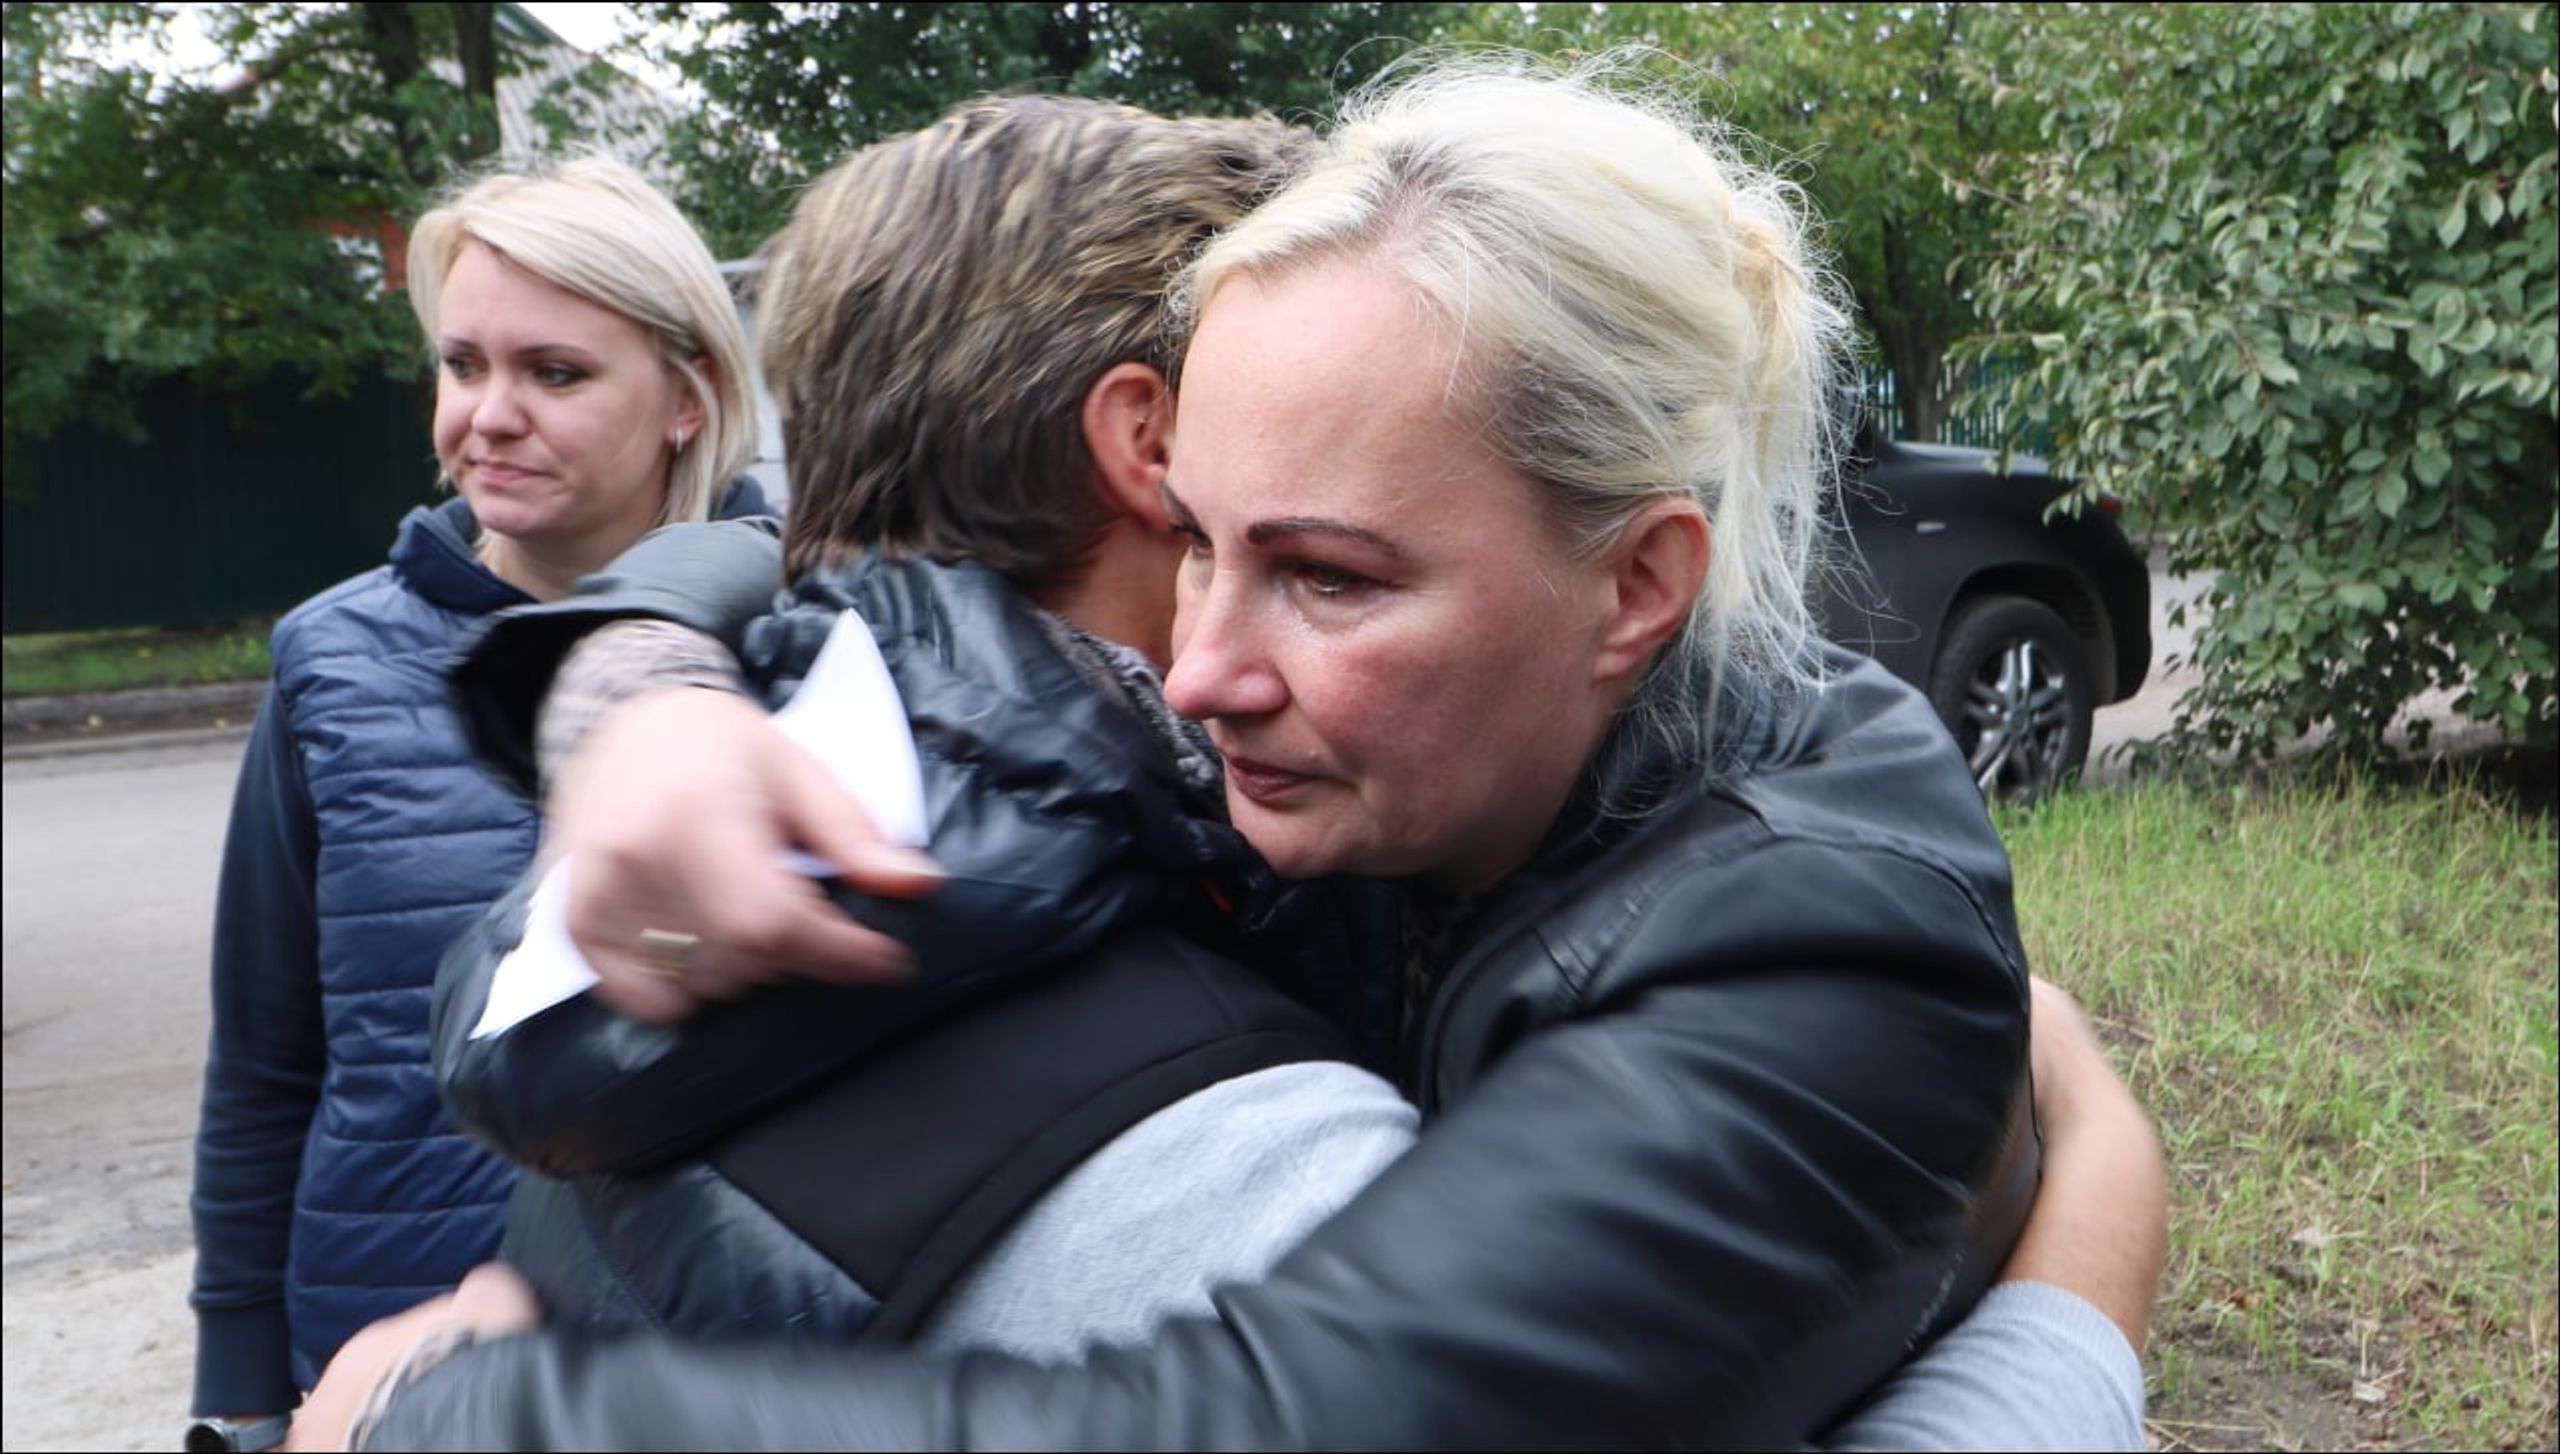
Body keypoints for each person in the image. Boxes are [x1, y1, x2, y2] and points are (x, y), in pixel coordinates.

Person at [310, 57, 2168, 1450]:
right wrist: (637, 682)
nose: (1195, 673)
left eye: (1328, 578)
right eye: (1199, 539)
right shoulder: (1379, 787)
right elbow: (832, 547)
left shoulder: (1821, 942)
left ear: (1638, 586)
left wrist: (452, 1419)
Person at [184, 154, 767, 1445]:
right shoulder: (329, 659)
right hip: (379, 1367)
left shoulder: (802, 636)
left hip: (692, 1366)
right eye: (462, 365)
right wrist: (237, 1389)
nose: (489, 414)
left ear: (689, 395)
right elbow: (268, 1059)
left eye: (554, 372)